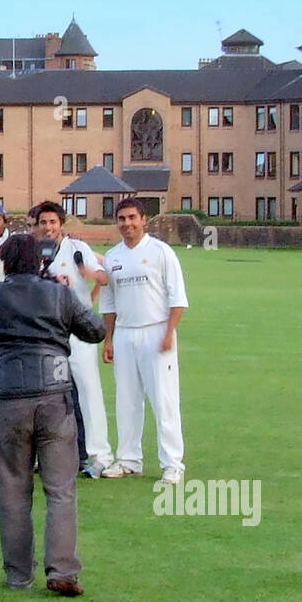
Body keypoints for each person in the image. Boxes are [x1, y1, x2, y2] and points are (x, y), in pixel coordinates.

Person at [0, 235, 106, 596]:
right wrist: (70, 292)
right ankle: (62, 569)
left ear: (4, 265)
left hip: (10, 398)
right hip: (54, 395)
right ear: (40, 262)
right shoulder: (58, 294)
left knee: (12, 489)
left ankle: (18, 574)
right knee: (60, 489)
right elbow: (95, 331)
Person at [100, 198, 188, 485]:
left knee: (164, 401)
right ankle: (128, 459)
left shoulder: (161, 252)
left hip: (156, 331)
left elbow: (177, 298)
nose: (127, 224)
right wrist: (109, 339)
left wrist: (168, 332)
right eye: (122, 219)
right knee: (126, 401)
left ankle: (173, 464)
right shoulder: (112, 257)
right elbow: (109, 302)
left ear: (143, 219)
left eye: (132, 218)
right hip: (125, 333)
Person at [35, 201, 112, 478]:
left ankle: (99, 454)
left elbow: (103, 279)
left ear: (61, 224)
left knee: (88, 389)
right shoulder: (35, 253)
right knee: (47, 394)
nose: (48, 227)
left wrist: (88, 276)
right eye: (43, 222)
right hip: (47, 332)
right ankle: (49, 454)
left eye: (53, 222)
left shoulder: (77, 249)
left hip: (78, 330)